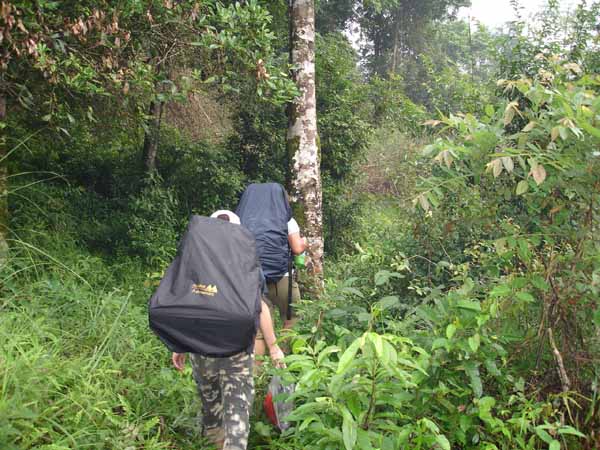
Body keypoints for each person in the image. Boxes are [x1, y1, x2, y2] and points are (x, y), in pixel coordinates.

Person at [170, 210, 284, 450]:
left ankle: (217, 442)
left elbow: (187, 305)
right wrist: (274, 348)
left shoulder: (196, 262)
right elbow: (260, 306)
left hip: (202, 349)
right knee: (237, 414)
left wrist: (180, 344)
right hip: (237, 351)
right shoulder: (246, 263)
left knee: (212, 411)